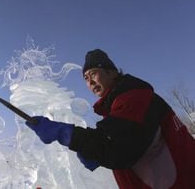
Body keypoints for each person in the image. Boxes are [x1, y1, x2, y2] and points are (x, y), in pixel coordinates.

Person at [26, 49, 195, 188]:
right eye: (85, 78)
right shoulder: (121, 105)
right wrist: (96, 152)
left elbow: (119, 150)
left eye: (94, 73)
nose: (90, 82)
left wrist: (65, 133)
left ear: (112, 72)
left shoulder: (135, 98)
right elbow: (130, 144)